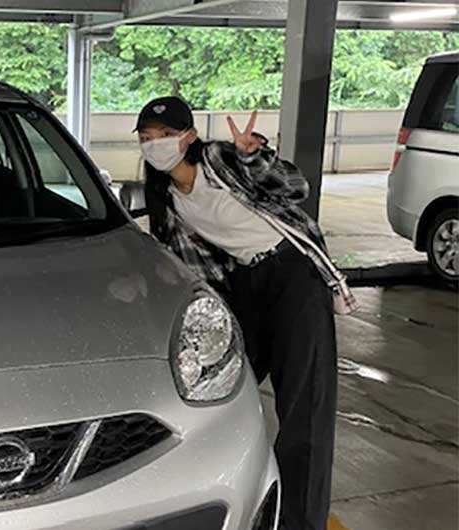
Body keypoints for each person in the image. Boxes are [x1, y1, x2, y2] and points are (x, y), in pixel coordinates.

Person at [135, 96, 356, 530]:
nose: (155, 144)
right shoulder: (166, 200)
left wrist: (255, 157)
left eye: (165, 134)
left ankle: (300, 521)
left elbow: (296, 188)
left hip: (293, 274)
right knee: (221, 389)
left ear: (189, 136)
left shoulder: (221, 159)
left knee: (305, 404)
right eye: (146, 137)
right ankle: (226, 488)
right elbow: (188, 267)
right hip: (246, 285)